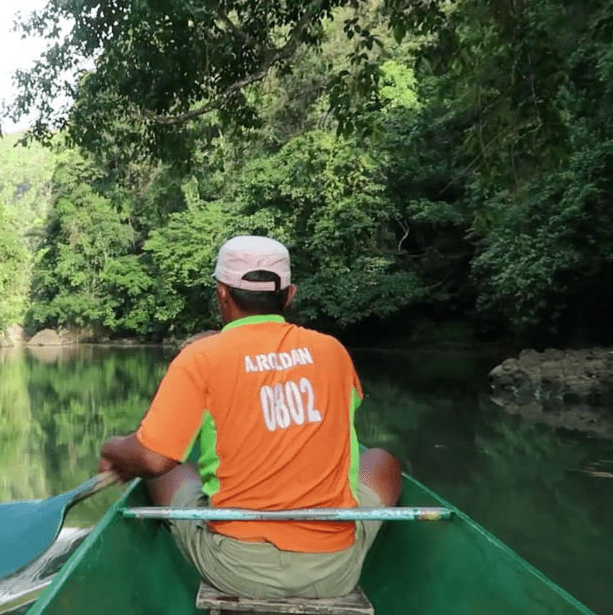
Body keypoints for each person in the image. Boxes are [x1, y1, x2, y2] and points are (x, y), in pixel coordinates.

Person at [98, 235, 402, 599]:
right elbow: (340, 408)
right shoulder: (333, 352)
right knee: (382, 460)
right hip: (333, 571)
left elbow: (151, 457)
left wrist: (113, 449)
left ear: (222, 294)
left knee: (174, 467)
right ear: (289, 295)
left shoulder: (201, 357)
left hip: (237, 570)